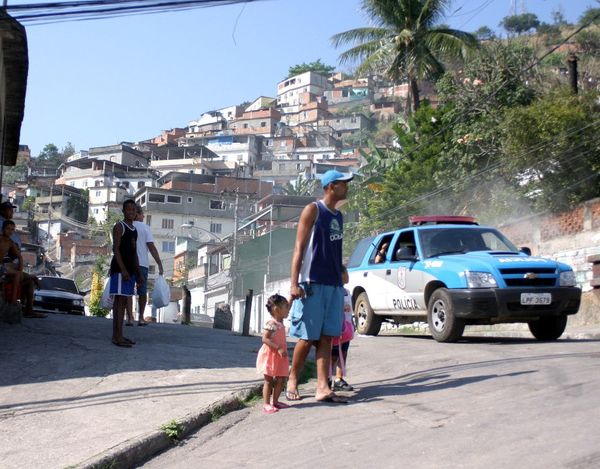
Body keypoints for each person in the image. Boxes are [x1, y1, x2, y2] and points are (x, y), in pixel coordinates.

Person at [286, 169, 353, 403]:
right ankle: (293, 378)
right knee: (307, 337)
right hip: (312, 282)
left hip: (333, 284)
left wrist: (342, 270)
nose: (347, 187)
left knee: (327, 337)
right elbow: (299, 248)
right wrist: (294, 283)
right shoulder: (313, 210)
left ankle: (322, 387)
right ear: (331, 186)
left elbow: (335, 249)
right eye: (344, 183)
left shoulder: (339, 216)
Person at [0, 201, 45, 318]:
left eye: (12, 229)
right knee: (20, 276)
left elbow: (19, 255)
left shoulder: (9, 235)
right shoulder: (1, 226)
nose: (12, 212)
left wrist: (19, 263)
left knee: (29, 282)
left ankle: (28, 309)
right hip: (5, 265)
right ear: (3, 210)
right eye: (9, 209)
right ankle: (14, 302)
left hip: (11, 264)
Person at [109, 199, 141, 347]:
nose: (131, 212)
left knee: (122, 302)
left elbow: (134, 253)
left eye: (133, 210)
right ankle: (117, 336)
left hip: (130, 271)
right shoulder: (119, 227)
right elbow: (115, 249)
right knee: (119, 303)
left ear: (136, 213)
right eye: (128, 210)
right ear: (123, 211)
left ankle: (119, 335)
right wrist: (123, 269)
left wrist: (138, 272)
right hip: (120, 270)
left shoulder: (135, 230)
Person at [127, 204, 163, 326]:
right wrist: (159, 263)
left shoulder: (125, 225)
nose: (143, 217)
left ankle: (130, 318)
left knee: (128, 291)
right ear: (138, 214)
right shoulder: (145, 228)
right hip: (142, 264)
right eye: (142, 214)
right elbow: (151, 247)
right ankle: (141, 318)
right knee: (142, 292)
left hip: (128, 264)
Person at [256, 294, 290, 414]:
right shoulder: (272, 323)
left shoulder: (280, 322)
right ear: (277, 309)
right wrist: (278, 348)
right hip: (271, 355)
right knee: (269, 381)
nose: (288, 310)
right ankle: (266, 404)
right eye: (286, 307)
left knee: (281, 378)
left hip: (280, 356)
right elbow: (265, 339)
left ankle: (275, 401)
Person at [330, 265, 354, 392]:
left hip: (347, 329)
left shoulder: (347, 292)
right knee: (333, 355)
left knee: (343, 353)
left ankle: (339, 378)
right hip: (336, 328)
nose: (348, 276)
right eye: (346, 273)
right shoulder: (334, 292)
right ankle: (328, 378)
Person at [0, 220, 24, 304]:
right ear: (3, 229)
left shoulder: (10, 243)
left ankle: (13, 300)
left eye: (12, 229)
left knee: (18, 274)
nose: (10, 231)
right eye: (8, 229)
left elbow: (20, 257)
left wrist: (20, 271)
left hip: (1, 267)